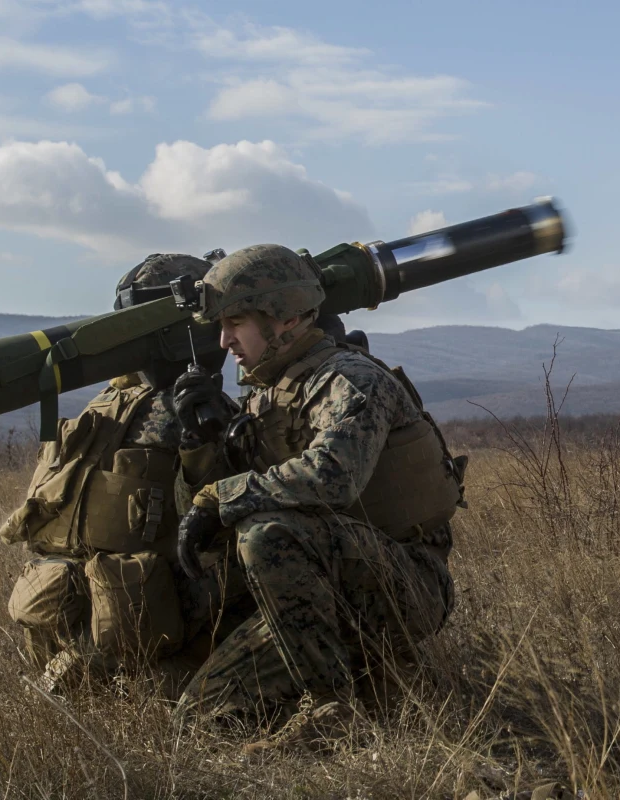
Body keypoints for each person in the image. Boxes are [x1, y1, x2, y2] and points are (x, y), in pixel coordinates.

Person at [170, 243, 466, 750]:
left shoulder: (351, 380)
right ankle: (374, 684)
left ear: (284, 319)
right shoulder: (267, 393)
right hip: (321, 586)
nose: (224, 341)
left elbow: (333, 478)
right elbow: (215, 507)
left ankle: (330, 711)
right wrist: (200, 445)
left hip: (405, 584)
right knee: (197, 721)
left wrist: (222, 495)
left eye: (235, 323)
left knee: (266, 533)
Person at [0, 253, 244, 694]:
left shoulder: (200, 410)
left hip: (147, 627)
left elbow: (222, 517)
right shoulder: (110, 403)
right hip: (72, 611)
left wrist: (201, 436)